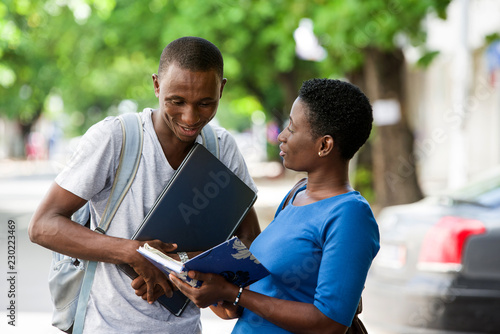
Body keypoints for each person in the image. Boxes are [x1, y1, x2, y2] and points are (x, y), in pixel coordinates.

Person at [28, 36, 260, 333]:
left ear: (222, 89)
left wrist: (181, 264)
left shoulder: (221, 148)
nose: (190, 117)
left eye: (205, 103)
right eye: (176, 102)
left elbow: (249, 238)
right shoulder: (116, 138)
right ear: (156, 85)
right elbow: (43, 225)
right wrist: (131, 253)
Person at [169, 78, 380, 333]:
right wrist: (215, 291)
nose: (281, 136)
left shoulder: (349, 215)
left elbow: (330, 323)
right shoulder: (296, 194)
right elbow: (267, 292)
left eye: (291, 128)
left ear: (324, 145)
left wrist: (234, 293)